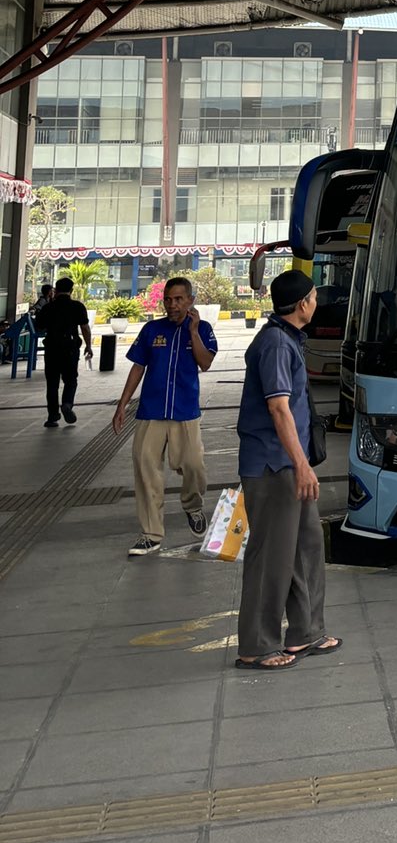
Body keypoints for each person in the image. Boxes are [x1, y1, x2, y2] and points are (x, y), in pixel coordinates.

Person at [235, 268, 340, 671]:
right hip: (274, 465)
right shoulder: (276, 345)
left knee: (306, 546)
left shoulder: (288, 339)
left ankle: (306, 632)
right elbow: (278, 407)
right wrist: (301, 465)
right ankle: (257, 645)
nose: (316, 303)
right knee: (271, 558)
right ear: (302, 305)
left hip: (290, 464)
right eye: (314, 297)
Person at [112, 275, 217, 558]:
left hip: (185, 413)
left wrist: (193, 331)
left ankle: (192, 505)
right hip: (151, 412)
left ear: (191, 301)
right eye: (168, 300)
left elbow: (205, 363)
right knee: (145, 468)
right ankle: (151, 534)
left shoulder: (203, 329)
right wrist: (122, 404)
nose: (172, 305)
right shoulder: (151, 330)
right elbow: (137, 368)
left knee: (194, 465)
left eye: (179, 299)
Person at [36, 275, 93, 428]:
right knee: (71, 380)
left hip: (52, 348)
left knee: (52, 384)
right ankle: (67, 404)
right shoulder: (77, 306)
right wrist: (88, 346)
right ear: (71, 290)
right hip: (70, 348)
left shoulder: (48, 307)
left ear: (56, 290)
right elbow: (85, 328)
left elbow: (39, 327)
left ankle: (52, 416)